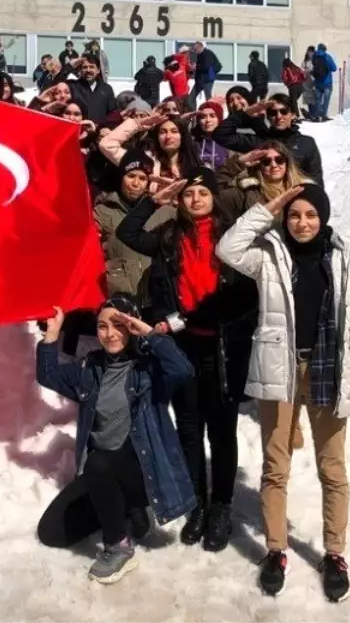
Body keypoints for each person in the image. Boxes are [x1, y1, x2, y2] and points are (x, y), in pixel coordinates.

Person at [216, 184, 350, 602]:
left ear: (323, 217)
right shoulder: (268, 257)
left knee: (333, 468)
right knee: (275, 465)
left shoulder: (344, 264)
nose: (302, 223)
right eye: (294, 215)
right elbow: (228, 248)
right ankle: (276, 550)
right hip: (279, 369)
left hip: (329, 370)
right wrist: (268, 207)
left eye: (310, 215)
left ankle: (335, 553)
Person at [115, 168, 258, 550]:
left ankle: (221, 508)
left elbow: (249, 296)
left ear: (214, 197)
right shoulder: (168, 237)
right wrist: (153, 201)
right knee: (190, 429)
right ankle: (197, 503)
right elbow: (126, 233)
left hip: (224, 349)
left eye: (202, 193)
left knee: (222, 431)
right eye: (189, 193)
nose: (195, 199)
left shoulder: (234, 240)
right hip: (182, 349)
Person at [35, 297, 196, 584]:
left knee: (98, 463)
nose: (110, 333)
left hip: (144, 474)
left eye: (119, 325)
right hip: (103, 473)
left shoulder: (148, 370)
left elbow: (183, 369)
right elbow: (48, 376)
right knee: (51, 532)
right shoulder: (91, 368)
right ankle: (120, 508)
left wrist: (148, 333)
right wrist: (52, 334)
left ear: (130, 326)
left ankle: (119, 544)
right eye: (102, 326)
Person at [92, 149, 174, 302]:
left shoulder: (166, 213)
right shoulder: (101, 212)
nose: (136, 183)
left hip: (156, 299)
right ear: (121, 177)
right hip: (118, 298)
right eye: (131, 176)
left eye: (142, 178)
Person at [211, 93, 324, 183]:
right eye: (273, 112)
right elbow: (220, 135)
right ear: (268, 116)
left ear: (293, 114)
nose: (279, 116)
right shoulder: (259, 141)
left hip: (295, 204)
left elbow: (316, 179)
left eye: (284, 111)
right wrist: (247, 112)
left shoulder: (306, 143)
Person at [71, 55, 116, 123]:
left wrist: (108, 128)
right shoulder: (73, 86)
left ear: (98, 70)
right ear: (80, 70)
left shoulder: (107, 89)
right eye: (85, 67)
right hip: (78, 130)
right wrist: (70, 66)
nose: (88, 70)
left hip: (99, 131)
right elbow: (55, 85)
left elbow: (113, 114)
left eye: (92, 67)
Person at [312, 43, 338, 121]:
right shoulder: (327, 56)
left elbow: (313, 66)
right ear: (325, 49)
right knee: (326, 100)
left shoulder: (314, 56)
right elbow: (334, 68)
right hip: (327, 83)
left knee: (317, 100)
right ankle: (323, 116)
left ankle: (316, 116)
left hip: (317, 82)